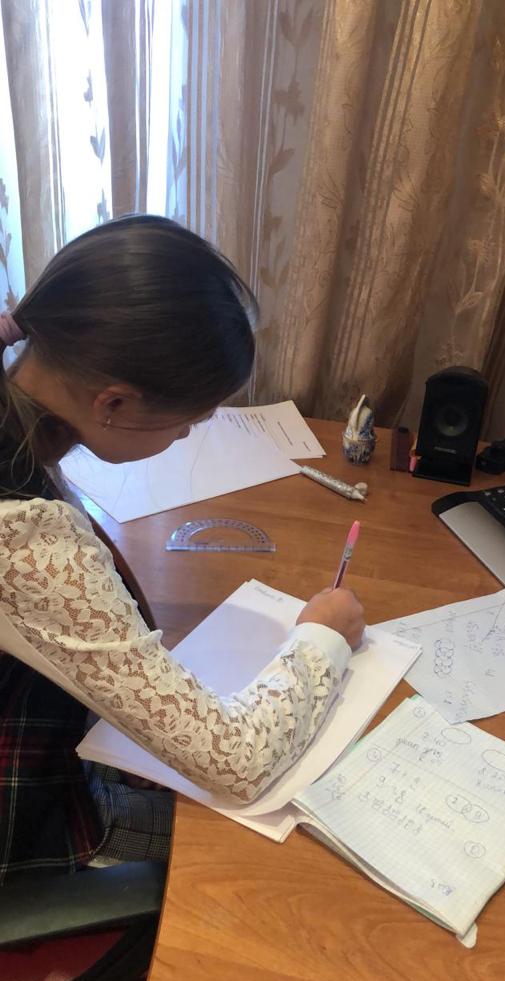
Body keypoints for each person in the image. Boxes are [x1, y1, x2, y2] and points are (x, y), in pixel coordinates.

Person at [0, 215, 365, 881]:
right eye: (186, 422)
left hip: (49, 731)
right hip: (30, 818)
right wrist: (323, 638)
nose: (188, 437)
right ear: (113, 402)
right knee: (267, 868)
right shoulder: (26, 540)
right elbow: (237, 764)